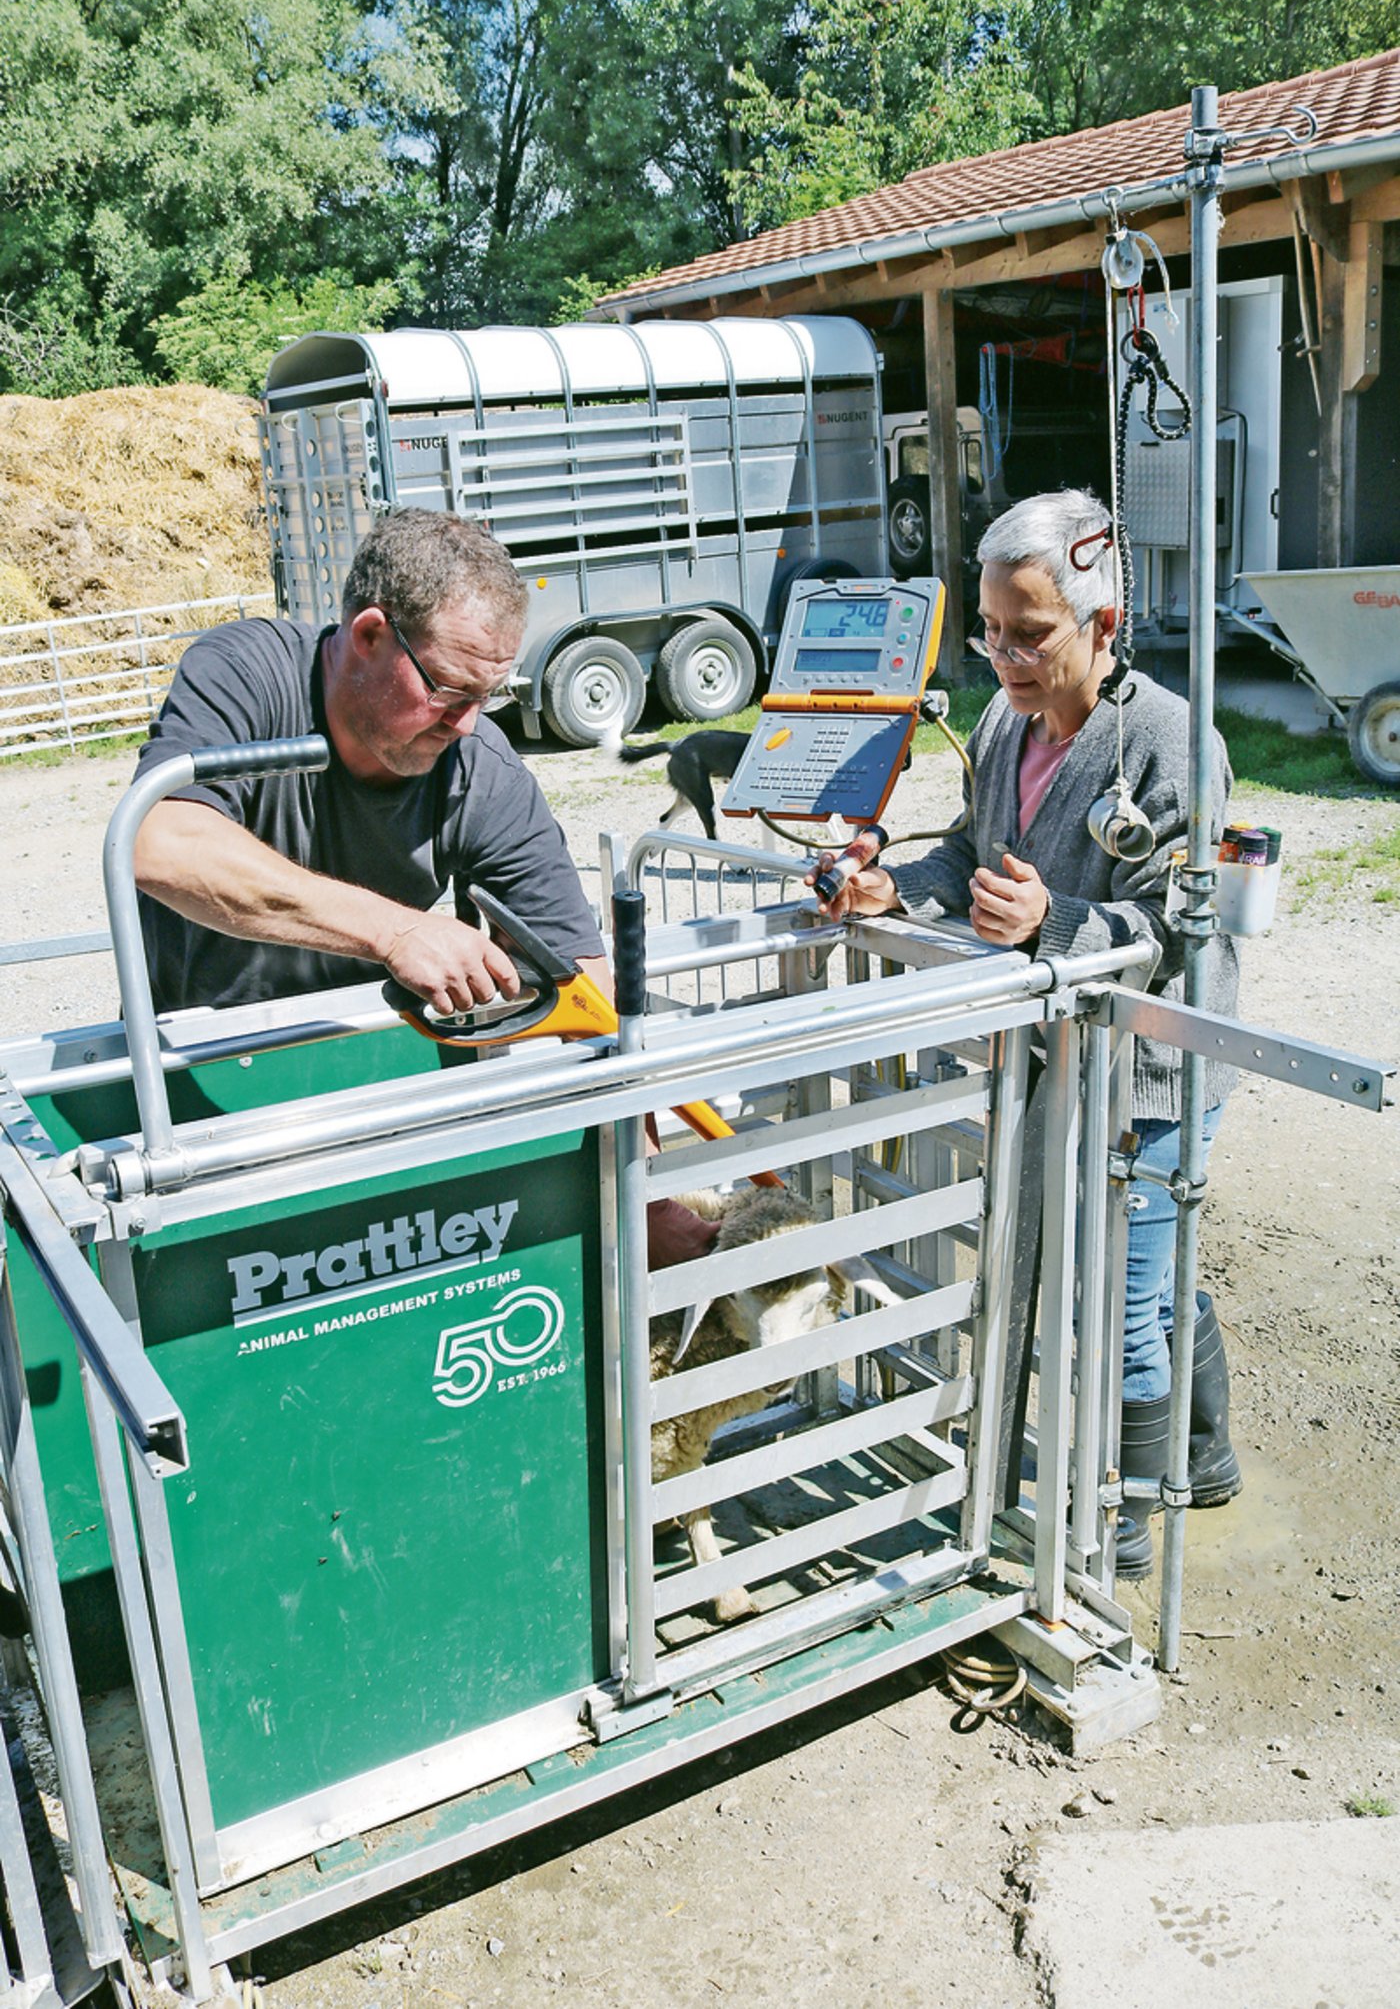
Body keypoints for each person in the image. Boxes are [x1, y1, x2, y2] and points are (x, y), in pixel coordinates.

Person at [808, 489, 1242, 1577]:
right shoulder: (1005, 724)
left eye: (1028, 633)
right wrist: (891, 892)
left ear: (1101, 624)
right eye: (989, 631)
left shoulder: (1171, 742)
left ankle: (1130, 1515)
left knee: (1114, 1299)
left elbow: (1186, 925)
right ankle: (1206, 1448)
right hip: (1052, 1058)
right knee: (1142, 1271)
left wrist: (1061, 922)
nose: (1001, 655)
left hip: (1145, 1066)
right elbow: (970, 849)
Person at [133, 505, 716, 1265]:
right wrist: (399, 930)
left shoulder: (479, 768)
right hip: (200, 1096)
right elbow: (164, 843)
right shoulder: (248, 675)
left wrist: (646, 1204)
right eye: (449, 690)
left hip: (376, 1093)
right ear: (370, 635)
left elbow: (590, 1000)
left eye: (490, 695)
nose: (468, 724)